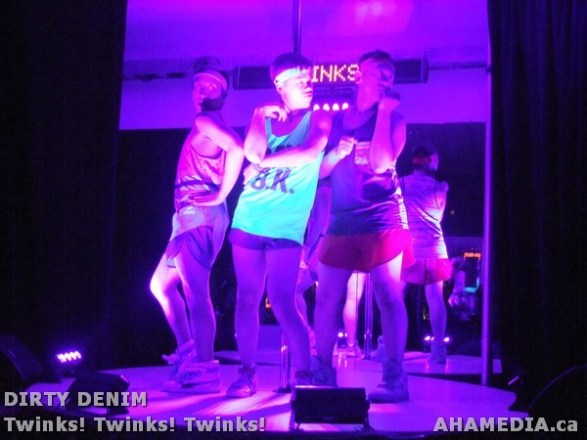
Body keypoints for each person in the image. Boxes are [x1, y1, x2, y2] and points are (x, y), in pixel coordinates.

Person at [226, 53, 332, 398]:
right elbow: (251, 153)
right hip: (249, 219)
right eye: (299, 79)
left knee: (284, 301)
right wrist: (257, 115)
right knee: (247, 298)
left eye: (309, 78)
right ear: (279, 85)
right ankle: (247, 374)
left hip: (286, 227)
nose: (308, 84)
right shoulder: (266, 119)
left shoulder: (318, 118)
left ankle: (304, 376)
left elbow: (310, 152)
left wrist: (262, 164)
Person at [313, 50, 413, 403]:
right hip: (342, 220)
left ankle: (395, 378)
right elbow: (319, 171)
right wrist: (336, 153)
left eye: (390, 74)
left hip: (382, 218)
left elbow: (382, 163)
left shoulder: (395, 118)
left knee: (388, 294)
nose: (386, 78)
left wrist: (383, 113)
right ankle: (322, 374)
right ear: (359, 75)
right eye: (379, 72)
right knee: (326, 297)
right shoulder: (336, 120)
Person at [149, 57, 244, 393]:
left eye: (211, 85)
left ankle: (204, 370)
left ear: (223, 92)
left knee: (196, 293)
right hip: (190, 219)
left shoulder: (205, 121)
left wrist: (222, 194)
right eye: (198, 84)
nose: (202, 90)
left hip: (199, 218)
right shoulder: (210, 123)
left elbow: (237, 147)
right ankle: (190, 351)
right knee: (160, 285)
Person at [401, 145, 452, 364]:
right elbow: (439, 217)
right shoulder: (439, 187)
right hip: (434, 247)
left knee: (395, 298)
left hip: (410, 248)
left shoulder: (401, 183)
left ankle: (390, 345)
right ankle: (438, 349)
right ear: (431, 161)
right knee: (435, 299)